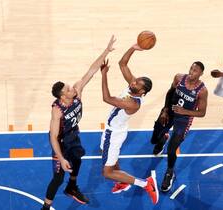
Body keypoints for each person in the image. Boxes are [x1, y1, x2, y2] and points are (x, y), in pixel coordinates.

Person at [41, 36, 116, 210]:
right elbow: (53, 137)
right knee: (58, 177)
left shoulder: (77, 92)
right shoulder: (57, 110)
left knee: (78, 159)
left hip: (73, 135)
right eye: (68, 89)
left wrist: (106, 50)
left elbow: (91, 70)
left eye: (71, 86)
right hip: (60, 142)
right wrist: (60, 157)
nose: (73, 88)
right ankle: (45, 208)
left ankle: (72, 187)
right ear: (62, 96)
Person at [99, 44, 158, 204]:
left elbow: (107, 98)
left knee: (107, 172)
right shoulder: (133, 88)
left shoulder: (133, 103)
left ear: (142, 92)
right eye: (135, 80)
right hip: (113, 130)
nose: (133, 82)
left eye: (137, 84)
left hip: (114, 134)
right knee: (105, 153)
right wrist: (133, 47)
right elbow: (122, 64)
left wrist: (104, 74)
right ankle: (122, 181)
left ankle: (146, 184)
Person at [150, 61, 208, 192]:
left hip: (183, 119)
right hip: (169, 111)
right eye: (191, 69)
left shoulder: (202, 91)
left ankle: (170, 173)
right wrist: (165, 110)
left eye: (195, 70)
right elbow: (170, 93)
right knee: (154, 139)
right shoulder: (179, 78)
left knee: (172, 149)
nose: (192, 72)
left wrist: (184, 111)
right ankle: (162, 139)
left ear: (201, 74)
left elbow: (202, 113)